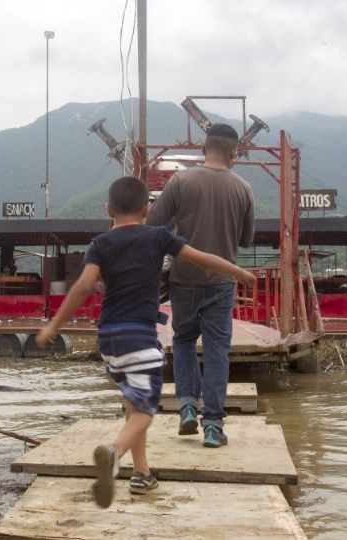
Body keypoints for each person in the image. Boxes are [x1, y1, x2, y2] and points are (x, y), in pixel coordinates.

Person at [36, 176, 255, 508]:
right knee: (146, 410)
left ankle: (142, 474)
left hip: (109, 338)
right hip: (140, 336)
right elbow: (201, 257)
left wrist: (54, 324)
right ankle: (113, 454)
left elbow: (83, 286)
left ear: (108, 210)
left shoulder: (100, 244)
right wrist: (237, 272)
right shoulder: (158, 236)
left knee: (133, 403)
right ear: (147, 209)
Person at [146, 123, 255, 448]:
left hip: (184, 279)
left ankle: (188, 407)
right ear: (234, 152)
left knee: (182, 340)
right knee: (218, 349)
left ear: (204, 148)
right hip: (222, 282)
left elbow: (154, 224)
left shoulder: (181, 180)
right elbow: (246, 240)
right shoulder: (243, 188)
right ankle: (212, 426)